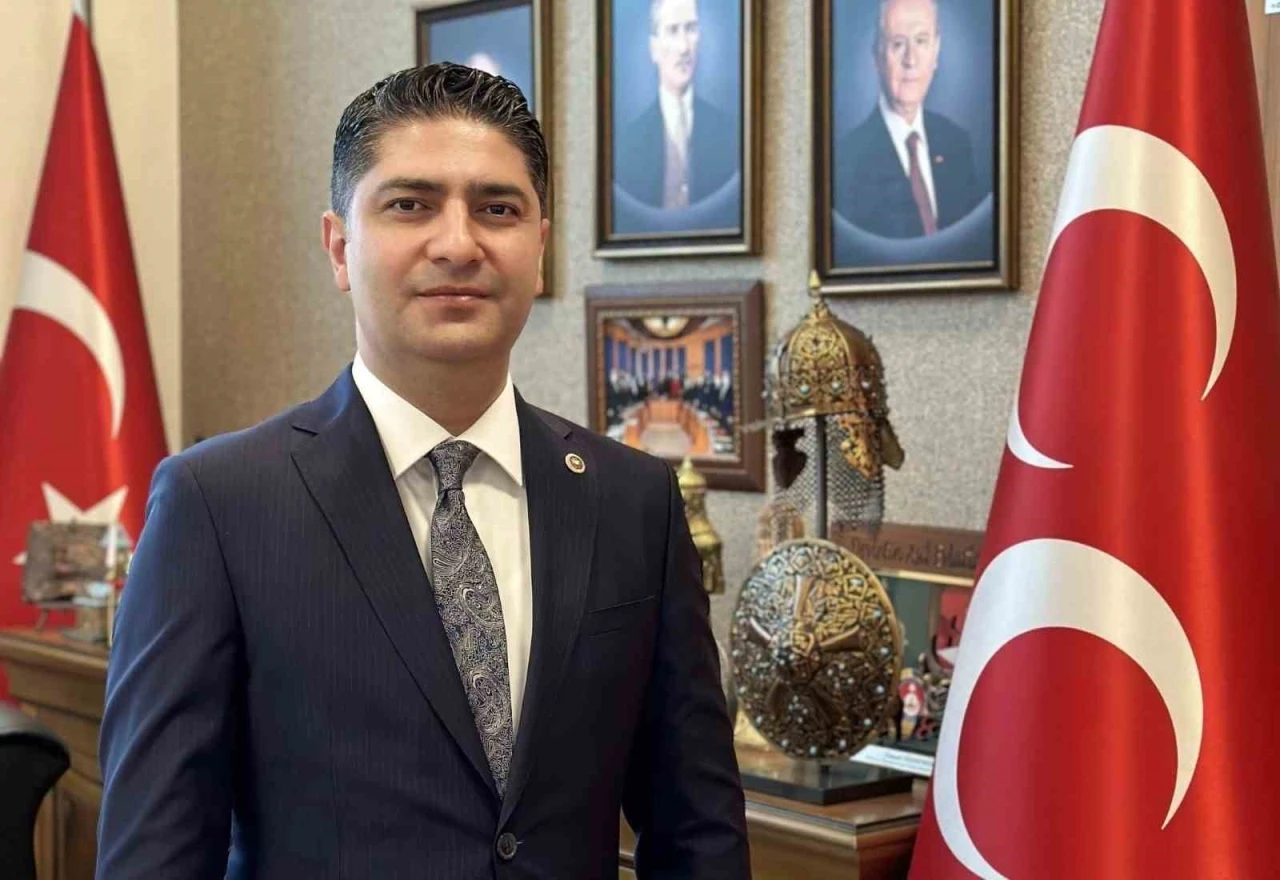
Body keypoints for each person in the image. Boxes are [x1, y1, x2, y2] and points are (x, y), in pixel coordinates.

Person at [96, 63, 750, 879]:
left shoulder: (633, 500)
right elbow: (154, 856)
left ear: (539, 249)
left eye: (497, 209)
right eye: (410, 204)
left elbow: (698, 832)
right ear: (340, 247)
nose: (458, 243)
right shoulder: (218, 505)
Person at [835, 0, 983, 239]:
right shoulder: (848, 159)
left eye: (921, 41)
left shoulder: (957, 143)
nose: (910, 60)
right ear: (877, 57)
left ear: (936, 52)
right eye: (898, 43)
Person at [615, 0, 737, 211]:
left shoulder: (729, 133)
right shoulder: (628, 144)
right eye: (672, 31)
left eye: (690, 29)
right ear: (654, 48)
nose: (684, 47)